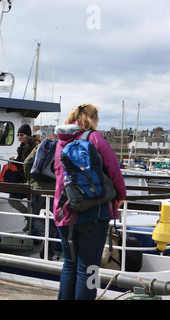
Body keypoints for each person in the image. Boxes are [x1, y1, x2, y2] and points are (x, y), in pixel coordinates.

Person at [53, 104, 126, 300]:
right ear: (92, 119)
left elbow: (58, 174)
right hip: (93, 213)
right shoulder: (94, 138)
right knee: (90, 268)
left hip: (65, 212)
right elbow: (114, 171)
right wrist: (121, 195)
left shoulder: (60, 141)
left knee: (70, 264)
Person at [23, 141, 58, 259]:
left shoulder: (39, 146)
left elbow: (27, 163)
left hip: (37, 188)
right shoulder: (61, 147)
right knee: (52, 220)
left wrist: (30, 179)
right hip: (54, 190)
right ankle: (49, 252)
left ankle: (44, 237)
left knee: (37, 216)